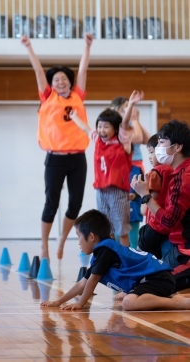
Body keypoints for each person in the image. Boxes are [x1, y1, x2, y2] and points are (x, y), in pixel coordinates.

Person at [23, 33, 93, 261]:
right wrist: (29, 47)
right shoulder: (47, 97)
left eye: (64, 79)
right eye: (57, 80)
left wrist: (86, 46)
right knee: (51, 202)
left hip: (78, 158)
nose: (61, 82)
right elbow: (38, 72)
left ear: (70, 82)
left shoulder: (78, 96)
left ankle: (62, 238)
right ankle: (44, 246)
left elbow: (83, 71)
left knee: (75, 203)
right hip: (55, 158)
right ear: (51, 84)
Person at [40, 210, 190, 311]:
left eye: (79, 236)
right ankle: (176, 298)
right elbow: (82, 283)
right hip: (156, 280)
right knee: (128, 299)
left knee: (129, 302)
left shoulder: (105, 250)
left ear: (91, 237)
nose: (78, 241)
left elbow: (92, 281)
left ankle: (176, 302)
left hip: (158, 279)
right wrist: (58, 302)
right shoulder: (104, 251)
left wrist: (80, 303)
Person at [69, 91, 138, 247]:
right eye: (99, 126)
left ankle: (124, 260)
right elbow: (86, 129)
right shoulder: (98, 140)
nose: (101, 130)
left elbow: (125, 123)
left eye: (106, 127)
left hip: (117, 191)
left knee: (122, 230)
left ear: (115, 129)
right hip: (101, 191)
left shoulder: (122, 141)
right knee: (107, 229)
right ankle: (111, 258)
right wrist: (74, 118)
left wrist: (131, 104)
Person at [131, 120, 190, 284]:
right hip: (176, 244)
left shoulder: (182, 177)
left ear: (177, 147)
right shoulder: (178, 172)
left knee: (138, 295)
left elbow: (169, 220)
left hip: (184, 251)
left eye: (162, 143)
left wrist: (145, 195)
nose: (158, 149)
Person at [111, 95, 152, 249]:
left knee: (134, 212)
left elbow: (148, 139)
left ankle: (133, 248)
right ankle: (122, 249)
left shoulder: (131, 125)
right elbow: (137, 138)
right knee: (124, 210)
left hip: (136, 169)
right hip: (126, 170)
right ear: (117, 111)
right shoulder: (117, 127)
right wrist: (134, 120)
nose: (130, 110)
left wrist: (137, 121)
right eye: (126, 108)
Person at [137, 134, 173, 259]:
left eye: (152, 152)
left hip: (155, 225)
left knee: (140, 257)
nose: (150, 157)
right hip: (166, 225)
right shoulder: (172, 170)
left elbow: (145, 208)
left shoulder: (155, 173)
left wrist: (142, 192)